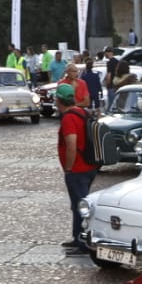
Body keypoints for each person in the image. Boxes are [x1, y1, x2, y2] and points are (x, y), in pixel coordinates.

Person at [56, 82, 98, 253]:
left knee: (81, 206)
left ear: (59, 100)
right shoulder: (81, 112)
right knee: (77, 204)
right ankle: (77, 237)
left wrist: (68, 167)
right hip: (89, 166)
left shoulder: (68, 118)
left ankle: (83, 243)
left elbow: (71, 144)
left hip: (78, 169)